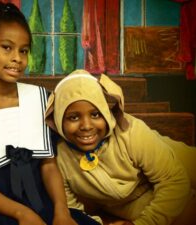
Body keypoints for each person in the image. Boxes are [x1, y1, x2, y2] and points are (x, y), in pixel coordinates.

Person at [0, 3, 101, 225]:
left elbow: (49, 166)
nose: (17, 58)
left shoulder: (41, 100)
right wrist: (22, 214)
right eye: (7, 47)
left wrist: (61, 212)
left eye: (23, 50)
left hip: (44, 206)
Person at [45, 69, 196, 225]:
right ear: (58, 119)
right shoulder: (60, 160)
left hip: (172, 162)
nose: (86, 126)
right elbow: (73, 211)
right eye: (74, 117)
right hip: (131, 199)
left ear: (105, 112)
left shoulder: (131, 132)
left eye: (95, 114)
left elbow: (174, 180)